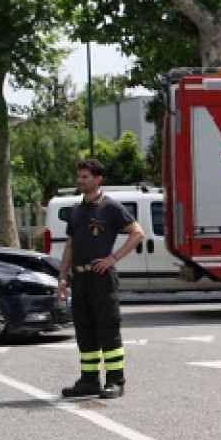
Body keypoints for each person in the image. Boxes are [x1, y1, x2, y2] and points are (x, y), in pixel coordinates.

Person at [56, 157, 143, 399]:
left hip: (101, 278)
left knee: (108, 328)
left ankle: (116, 381)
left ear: (98, 179)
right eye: (79, 177)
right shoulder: (75, 211)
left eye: (85, 177)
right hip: (80, 278)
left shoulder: (111, 208)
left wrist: (113, 258)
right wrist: (62, 279)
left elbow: (138, 233)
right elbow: (70, 246)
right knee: (85, 330)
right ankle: (89, 380)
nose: (80, 181)